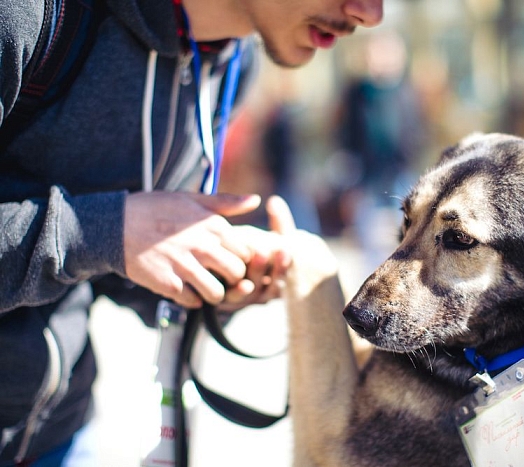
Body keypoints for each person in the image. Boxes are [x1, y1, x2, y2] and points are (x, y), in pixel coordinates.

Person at [0, 0, 383, 465]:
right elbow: (103, 234)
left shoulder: (235, 64)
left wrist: (211, 277)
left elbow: (109, 268)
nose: (371, 13)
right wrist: (106, 231)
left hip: (62, 433)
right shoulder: (28, 14)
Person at [335, 30, 425, 272]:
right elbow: (348, 136)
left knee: (403, 239)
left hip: (400, 175)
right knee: (369, 240)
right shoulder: (358, 93)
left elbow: (414, 135)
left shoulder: (406, 93)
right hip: (366, 177)